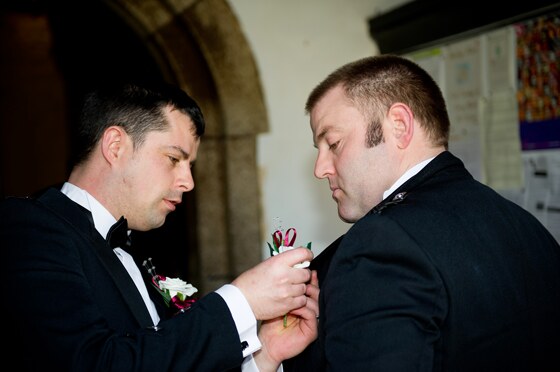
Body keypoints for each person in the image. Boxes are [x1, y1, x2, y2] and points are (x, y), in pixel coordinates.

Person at [0, 80, 318, 371]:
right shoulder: (28, 226)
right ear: (115, 147)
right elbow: (92, 363)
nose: (188, 182)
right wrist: (241, 301)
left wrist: (266, 355)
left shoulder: (133, 254)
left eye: (189, 165)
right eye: (173, 159)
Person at [282, 54, 560, 371]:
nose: (320, 168)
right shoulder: (526, 226)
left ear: (399, 126)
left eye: (333, 143)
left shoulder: (381, 244)